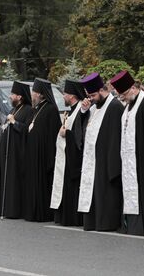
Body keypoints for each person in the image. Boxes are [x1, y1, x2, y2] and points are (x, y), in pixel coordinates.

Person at [110, 70, 144, 236]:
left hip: (143, 163)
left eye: (124, 93)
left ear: (133, 88)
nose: (122, 97)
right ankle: (131, 226)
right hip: (129, 162)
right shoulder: (128, 108)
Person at [78, 73, 124, 231]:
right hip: (92, 159)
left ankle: (106, 223)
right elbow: (85, 130)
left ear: (101, 90)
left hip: (106, 161)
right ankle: (93, 222)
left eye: (92, 95)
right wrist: (83, 111)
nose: (91, 98)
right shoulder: (94, 108)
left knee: (106, 193)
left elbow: (116, 137)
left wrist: (112, 165)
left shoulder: (115, 106)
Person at [22, 78, 61, 222]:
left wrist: (48, 156)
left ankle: (43, 214)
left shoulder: (50, 109)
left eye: (34, 92)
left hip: (43, 156)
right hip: (33, 155)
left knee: (42, 185)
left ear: (41, 94)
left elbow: (52, 135)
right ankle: (31, 212)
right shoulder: (35, 109)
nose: (32, 95)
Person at [50, 79, 88, 226]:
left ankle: (72, 218)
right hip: (65, 156)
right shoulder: (71, 110)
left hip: (74, 159)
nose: (63, 97)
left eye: (65, 94)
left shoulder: (80, 110)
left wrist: (67, 133)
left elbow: (80, 135)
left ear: (72, 96)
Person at [0, 81, 33, 219]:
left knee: (15, 183)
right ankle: (6, 209)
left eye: (13, 94)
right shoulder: (13, 110)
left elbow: (27, 130)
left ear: (20, 96)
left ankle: (15, 211)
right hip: (7, 153)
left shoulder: (28, 110)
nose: (10, 96)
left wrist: (14, 122)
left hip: (17, 154)